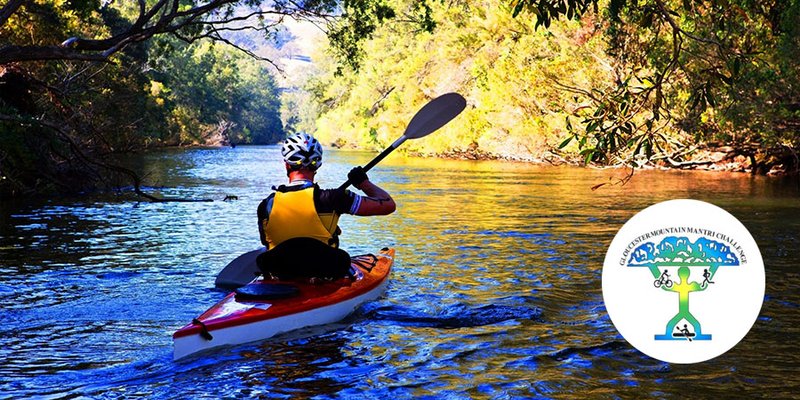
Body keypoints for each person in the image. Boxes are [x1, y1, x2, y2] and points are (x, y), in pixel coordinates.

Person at [256, 132, 396, 279]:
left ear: (286, 165)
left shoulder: (266, 206)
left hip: (281, 274)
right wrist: (363, 183)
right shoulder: (334, 198)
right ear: (317, 165)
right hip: (325, 272)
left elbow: (267, 243)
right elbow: (388, 205)